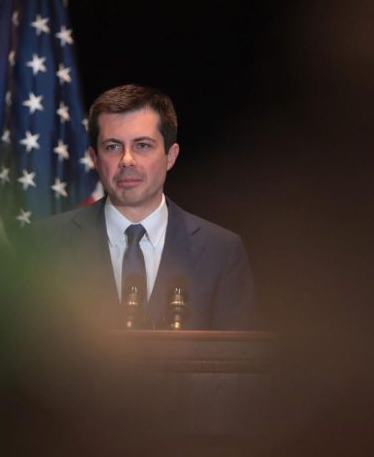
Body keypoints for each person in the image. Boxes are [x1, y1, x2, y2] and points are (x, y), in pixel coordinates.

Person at [32, 84, 255, 330]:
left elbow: (236, 361)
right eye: (113, 146)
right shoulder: (43, 245)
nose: (127, 160)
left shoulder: (220, 252)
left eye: (143, 145)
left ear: (171, 156)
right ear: (94, 158)